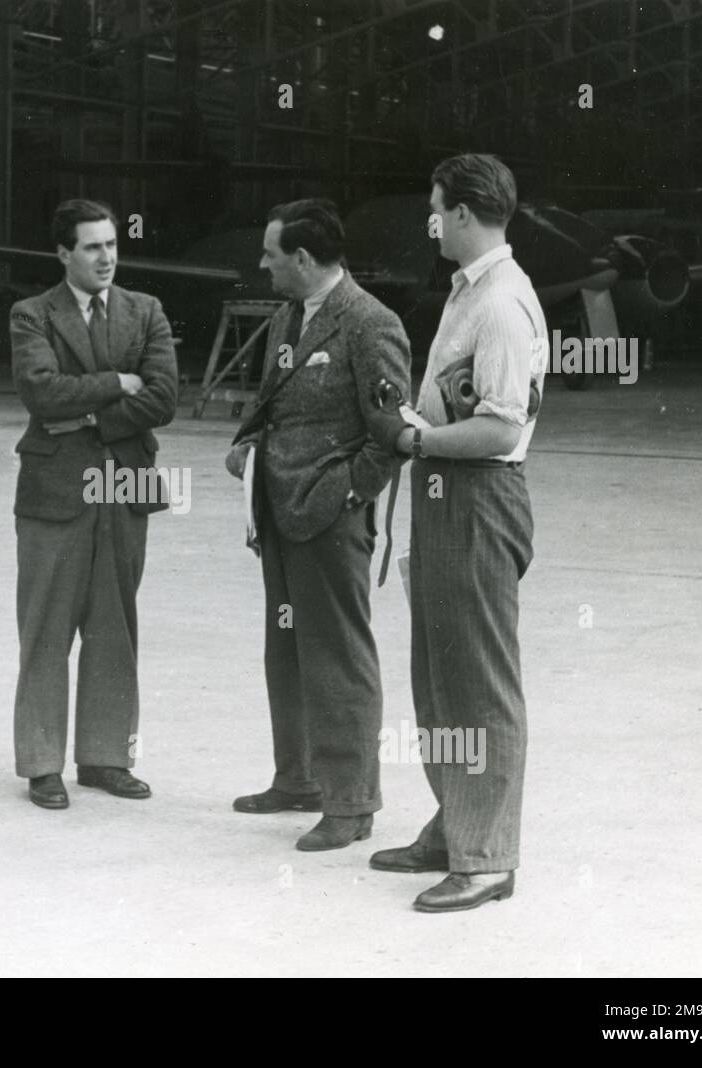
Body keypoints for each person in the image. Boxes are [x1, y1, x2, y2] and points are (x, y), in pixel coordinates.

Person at [365, 154, 546, 911]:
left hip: (477, 496)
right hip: (446, 496)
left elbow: (501, 429)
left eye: (437, 209)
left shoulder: (501, 304)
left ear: (465, 214)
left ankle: (488, 859)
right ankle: (456, 823)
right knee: (439, 680)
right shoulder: (470, 291)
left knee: (479, 684)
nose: (430, 221)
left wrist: (414, 441)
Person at [225, 199, 411, 851]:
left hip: (329, 516)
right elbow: (270, 398)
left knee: (337, 655)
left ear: (303, 259)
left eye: (272, 254)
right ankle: (298, 778)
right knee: (288, 648)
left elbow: (391, 433)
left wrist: (348, 492)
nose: (263, 263)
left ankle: (351, 803)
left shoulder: (369, 323)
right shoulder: (288, 316)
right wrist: (248, 444)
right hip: (277, 508)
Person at [8, 198, 178, 810]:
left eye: (111, 245)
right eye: (91, 247)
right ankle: (42, 763)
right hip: (55, 490)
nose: (106, 257)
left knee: (115, 624)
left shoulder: (146, 310)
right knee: (47, 626)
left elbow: (162, 398)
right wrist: (115, 385)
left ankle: (105, 758)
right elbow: (39, 391)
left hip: (126, 485)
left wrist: (84, 415)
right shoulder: (31, 314)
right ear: (63, 253)